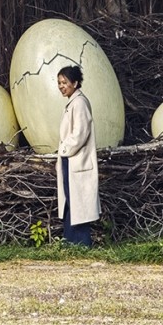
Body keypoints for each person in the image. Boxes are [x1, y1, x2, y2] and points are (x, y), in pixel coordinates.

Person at [55, 64, 99, 247]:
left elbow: (80, 133)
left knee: (77, 203)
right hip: (71, 160)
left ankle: (79, 243)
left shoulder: (79, 103)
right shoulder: (74, 102)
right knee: (71, 201)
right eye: (59, 82)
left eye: (64, 82)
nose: (61, 86)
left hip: (75, 160)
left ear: (75, 83)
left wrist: (64, 149)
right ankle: (71, 241)